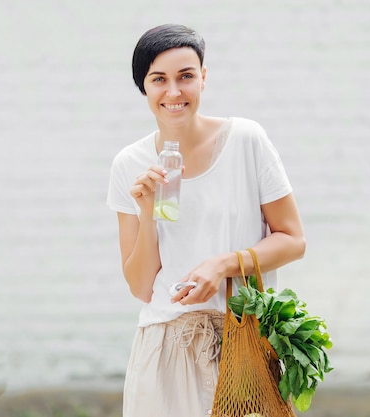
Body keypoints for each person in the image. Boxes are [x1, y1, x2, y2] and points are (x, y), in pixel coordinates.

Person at [106, 23, 306, 416]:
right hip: (164, 348)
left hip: (242, 341)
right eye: (158, 79)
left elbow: (293, 239)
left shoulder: (247, 141)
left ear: (203, 78)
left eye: (186, 76)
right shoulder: (129, 164)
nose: (174, 92)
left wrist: (224, 264)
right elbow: (140, 286)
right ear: (144, 87)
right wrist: (146, 214)